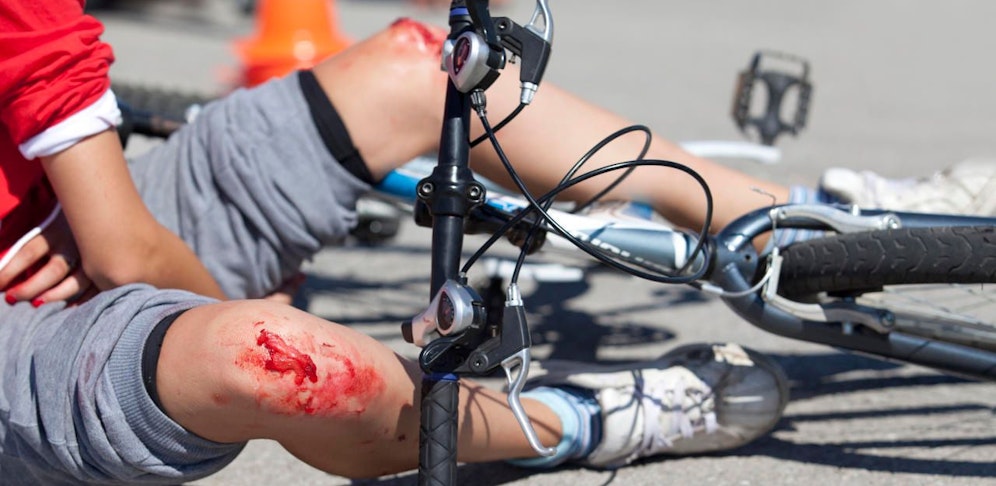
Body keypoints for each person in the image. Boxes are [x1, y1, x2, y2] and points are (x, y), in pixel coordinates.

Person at [0, 3, 993, 484]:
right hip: (40, 304)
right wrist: (189, 294)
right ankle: (575, 419)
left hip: (77, 218)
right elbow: (130, 261)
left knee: (417, 69)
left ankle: (791, 217)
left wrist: (114, 232)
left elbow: (123, 236)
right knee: (280, 363)